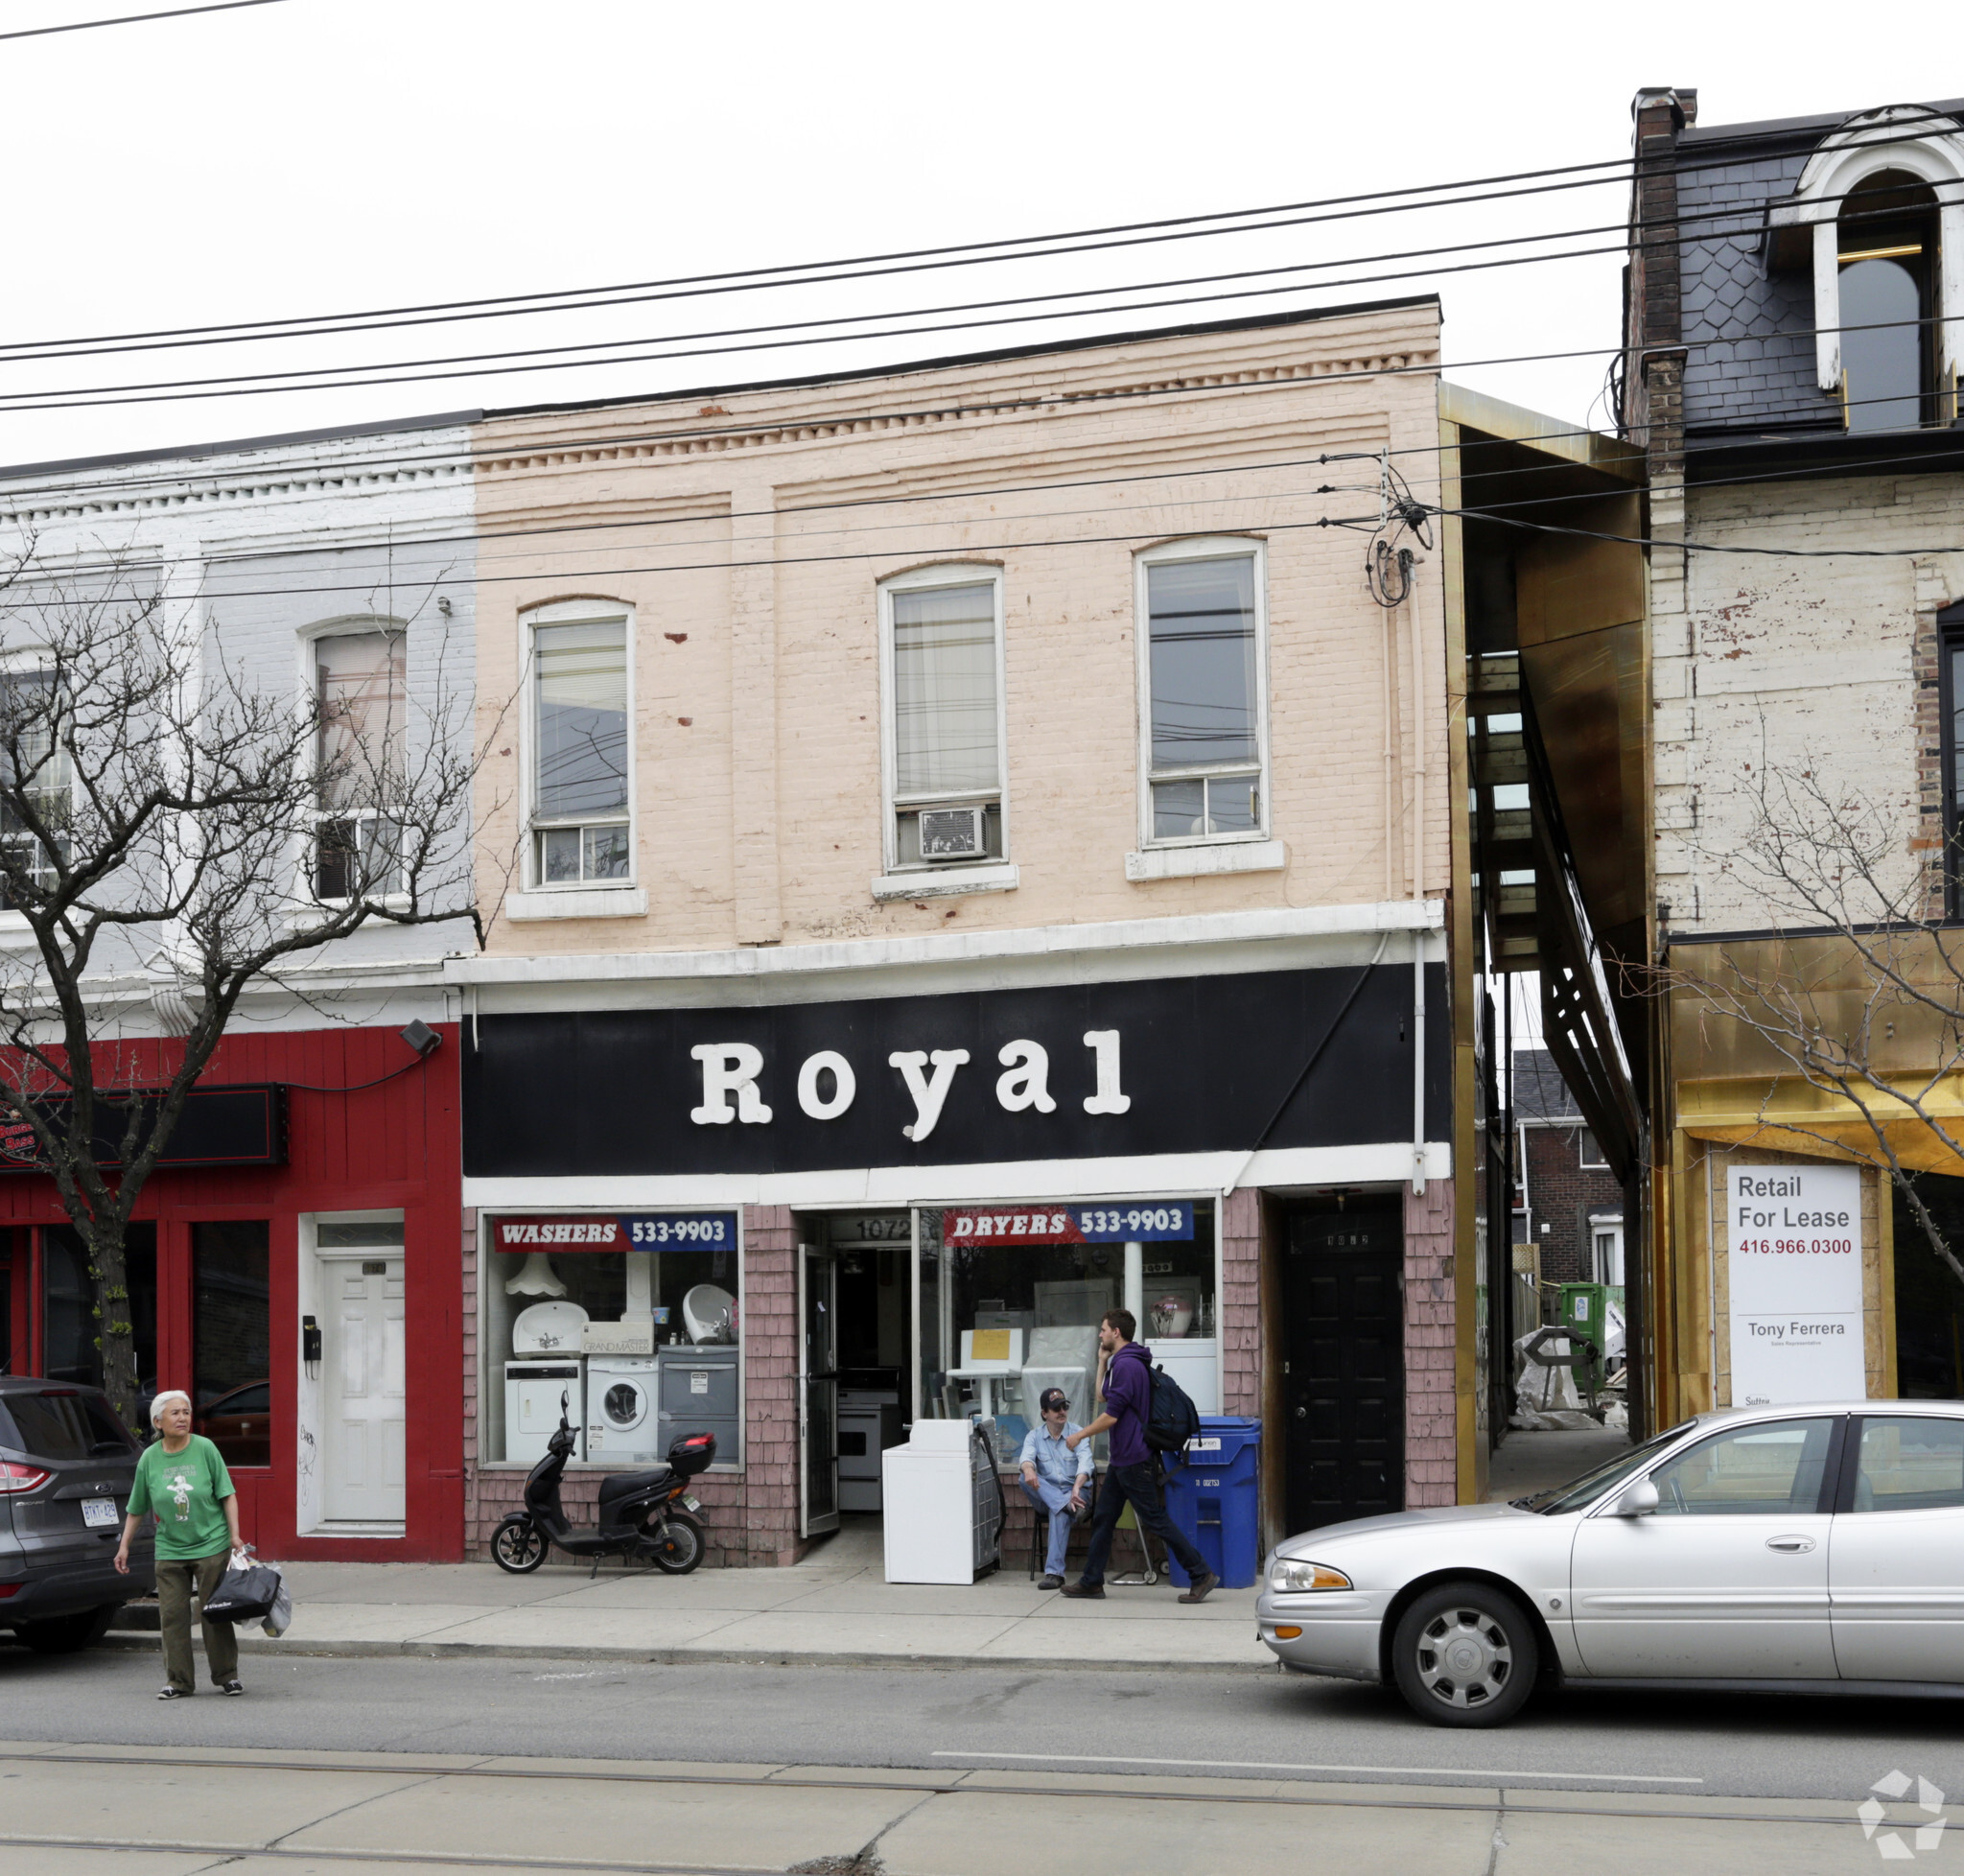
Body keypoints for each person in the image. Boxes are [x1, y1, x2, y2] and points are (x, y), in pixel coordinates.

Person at [1063, 1309, 1218, 1603]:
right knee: (1105, 1518)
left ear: (1116, 1333)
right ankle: (1092, 1581)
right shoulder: (1120, 1363)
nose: (1100, 1334)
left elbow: (1111, 1416)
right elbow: (1101, 1397)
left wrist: (1080, 1435)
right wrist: (1101, 1363)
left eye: (1103, 1329)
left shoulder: (1129, 1366)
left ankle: (1201, 1573)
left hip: (1134, 1458)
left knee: (1156, 1520)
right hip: (1123, 1459)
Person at [114, 1390, 246, 1700]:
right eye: (175, 1413)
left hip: (211, 1544)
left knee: (214, 1613)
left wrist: (234, 1535)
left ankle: (227, 1675)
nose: (183, 1418)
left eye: (186, 1412)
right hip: (171, 1549)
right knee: (172, 1617)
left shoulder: (205, 1449)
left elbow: (227, 1494)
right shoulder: (150, 1458)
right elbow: (137, 1507)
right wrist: (124, 1546)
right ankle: (179, 1681)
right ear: (158, 1421)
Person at [1018, 1386, 1092, 1588]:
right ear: (1044, 1413)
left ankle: (1055, 1575)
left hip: (1078, 1494)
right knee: (1023, 1477)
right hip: (1048, 1496)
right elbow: (1025, 1458)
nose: (1062, 1412)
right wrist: (1029, 1469)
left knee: (1058, 1511)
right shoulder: (1034, 1436)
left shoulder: (1078, 1433)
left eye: (1064, 1407)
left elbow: (1086, 1464)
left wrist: (1076, 1488)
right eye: (1056, 1408)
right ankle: (1065, 1505)